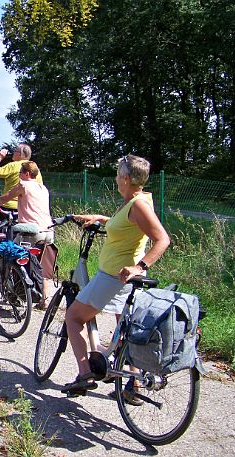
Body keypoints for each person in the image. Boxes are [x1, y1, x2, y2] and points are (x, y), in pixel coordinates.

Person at [62, 154, 171, 401]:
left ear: (125, 178)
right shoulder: (134, 201)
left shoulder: (138, 204)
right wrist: (101, 219)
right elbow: (128, 225)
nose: (115, 178)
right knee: (127, 331)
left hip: (114, 276)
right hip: (120, 278)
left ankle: (85, 374)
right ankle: (133, 385)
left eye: (117, 174)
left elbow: (162, 239)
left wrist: (140, 266)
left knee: (73, 318)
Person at [0, 161, 55, 308]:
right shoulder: (43, 188)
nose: (19, 176)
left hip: (31, 231)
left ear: (27, 174)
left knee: (10, 254)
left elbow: (6, 198)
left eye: (20, 173)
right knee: (43, 266)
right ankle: (44, 300)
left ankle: (13, 292)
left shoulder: (23, 186)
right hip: (48, 231)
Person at [0, 143, 43, 212]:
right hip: (28, 208)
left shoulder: (13, 165)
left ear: (20, 154)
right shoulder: (35, 169)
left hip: (9, 207)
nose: (13, 153)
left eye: (15, 151)